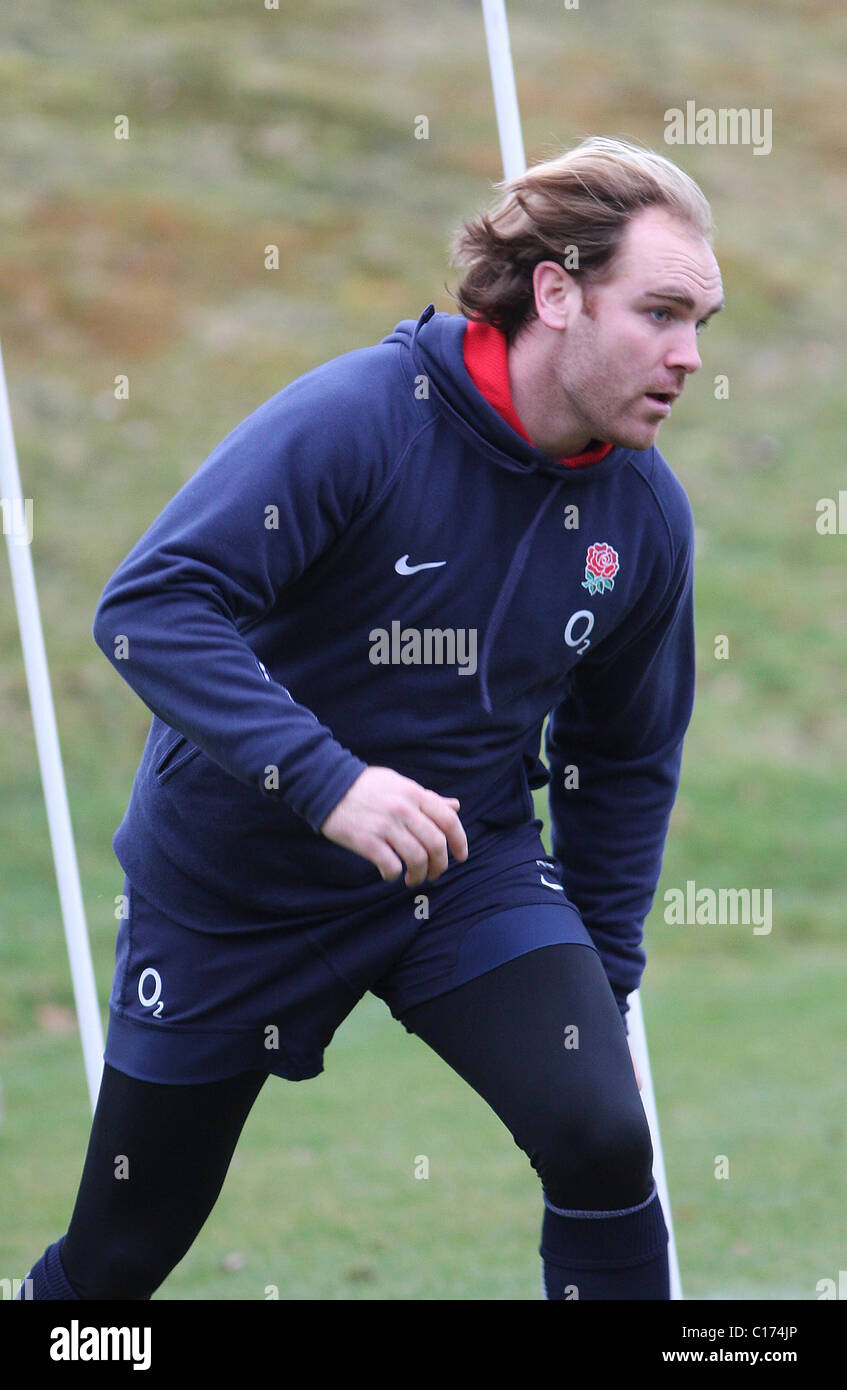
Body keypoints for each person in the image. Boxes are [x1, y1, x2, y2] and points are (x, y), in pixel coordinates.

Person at [22, 136, 723, 1301]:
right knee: (120, 1258)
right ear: (555, 291)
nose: (690, 355)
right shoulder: (363, 416)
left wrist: (595, 977)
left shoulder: (643, 517)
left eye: (702, 321)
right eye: (659, 311)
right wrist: (329, 780)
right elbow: (151, 606)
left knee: (602, 1133)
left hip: (462, 870)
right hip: (234, 885)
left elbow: (625, 753)